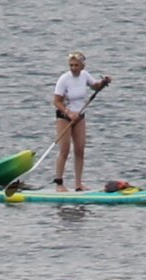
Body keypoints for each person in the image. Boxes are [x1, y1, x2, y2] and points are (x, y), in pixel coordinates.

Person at [51, 52, 109, 190]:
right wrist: (69, 113)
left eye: (76, 65)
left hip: (80, 117)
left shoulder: (85, 75)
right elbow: (56, 102)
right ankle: (59, 184)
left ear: (82, 65)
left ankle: (78, 184)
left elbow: (95, 86)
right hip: (64, 117)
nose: (73, 68)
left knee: (80, 149)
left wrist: (104, 82)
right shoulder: (64, 79)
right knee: (64, 150)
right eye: (71, 65)